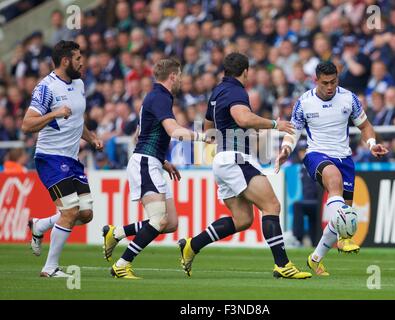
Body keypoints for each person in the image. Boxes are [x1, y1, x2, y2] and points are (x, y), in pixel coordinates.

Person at [177, 53, 312, 280]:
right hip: (236, 158)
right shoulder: (236, 91)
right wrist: (274, 124)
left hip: (222, 159)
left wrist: (220, 135)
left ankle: (192, 244)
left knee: (243, 220)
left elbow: (209, 126)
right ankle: (282, 264)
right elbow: (243, 118)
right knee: (272, 205)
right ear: (246, 72)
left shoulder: (217, 92)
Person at [276, 61, 388, 276]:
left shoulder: (349, 98)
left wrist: (372, 144)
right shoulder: (304, 102)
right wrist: (286, 149)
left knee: (341, 216)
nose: (330, 87)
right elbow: (293, 131)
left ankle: (315, 258)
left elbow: (364, 126)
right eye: (325, 83)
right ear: (315, 80)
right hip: (316, 155)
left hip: (344, 158)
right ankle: (345, 239)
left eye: (333, 82)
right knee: (333, 180)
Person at [102, 58, 207, 279]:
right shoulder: (159, 97)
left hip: (152, 162)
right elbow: (174, 131)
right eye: (179, 75)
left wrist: (162, 160)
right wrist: (203, 137)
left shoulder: (156, 96)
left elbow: (140, 134)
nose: (181, 79)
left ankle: (117, 232)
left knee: (170, 223)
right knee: (158, 219)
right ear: (173, 76)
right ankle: (122, 264)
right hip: (145, 163)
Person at [22, 40, 103, 277]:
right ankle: (50, 268)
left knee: (85, 214)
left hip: (72, 158)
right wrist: (55, 112)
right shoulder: (46, 87)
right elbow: (27, 124)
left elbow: (77, 119)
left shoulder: (78, 84)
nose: (82, 61)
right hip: (50, 158)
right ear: (66, 61)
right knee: (70, 210)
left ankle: (40, 225)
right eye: (78, 58)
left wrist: (90, 137)